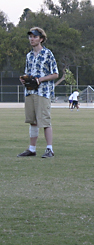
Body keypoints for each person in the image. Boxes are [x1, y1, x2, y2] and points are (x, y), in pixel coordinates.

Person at [17, 27, 59, 158]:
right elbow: (28, 72)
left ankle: (49, 149)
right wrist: (25, 79)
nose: (32, 39)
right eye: (30, 37)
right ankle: (32, 149)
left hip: (43, 92)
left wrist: (40, 79)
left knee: (45, 121)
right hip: (30, 92)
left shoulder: (48, 54)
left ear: (41, 39)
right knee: (32, 121)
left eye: (35, 37)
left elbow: (55, 74)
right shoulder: (29, 56)